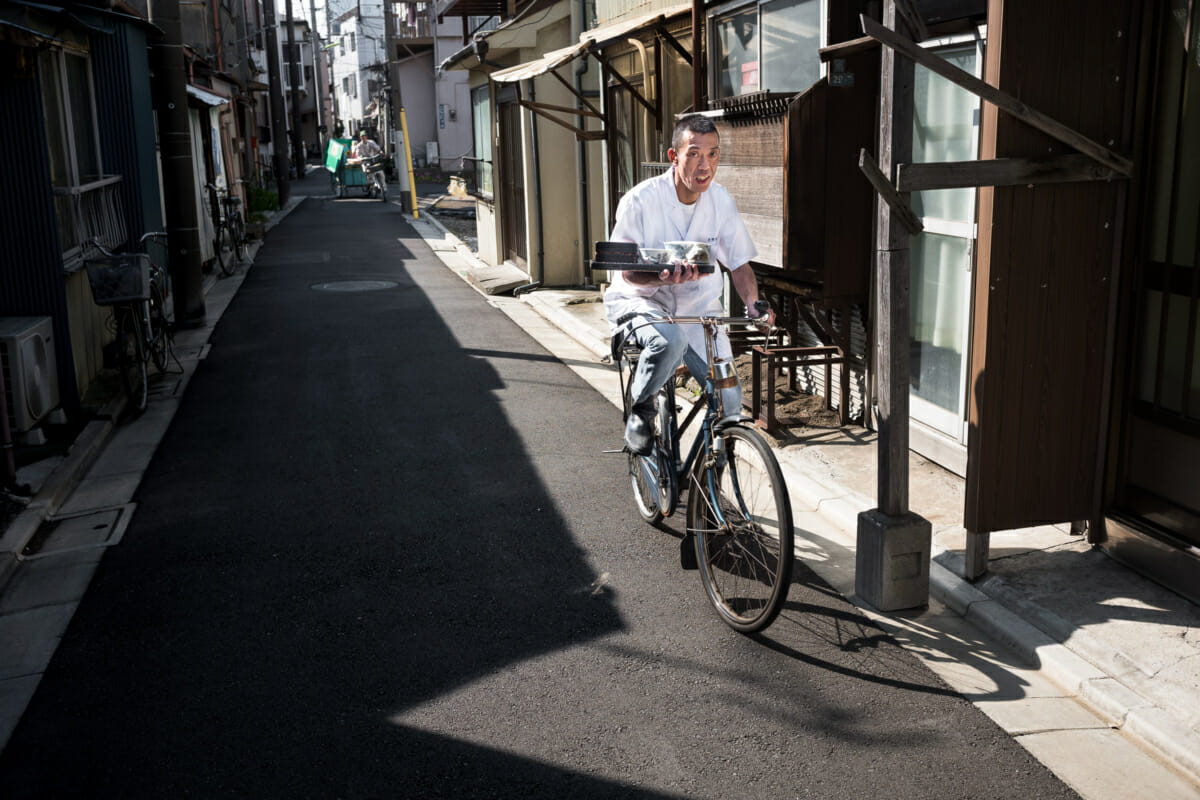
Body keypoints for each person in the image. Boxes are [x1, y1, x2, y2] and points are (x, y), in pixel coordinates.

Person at [604, 113, 775, 456]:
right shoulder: (640, 201)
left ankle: (710, 488)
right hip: (642, 302)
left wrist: (755, 302)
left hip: (699, 310)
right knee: (670, 340)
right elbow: (626, 272)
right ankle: (641, 409)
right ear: (674, 156)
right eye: (695, 153)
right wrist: (660, 275)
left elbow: (739, 263)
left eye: (713, 154)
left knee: (730, 404)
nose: (705, 164)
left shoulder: (721, 200)